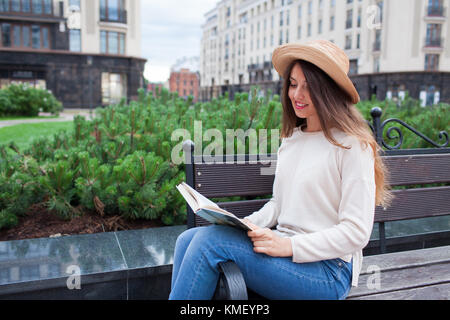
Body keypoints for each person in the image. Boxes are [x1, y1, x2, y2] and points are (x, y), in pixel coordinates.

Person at [169, 39, 392, 300]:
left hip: (329, 270)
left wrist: (289, 245)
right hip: (285, 252)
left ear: (329, 91)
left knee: (209, 244)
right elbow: (279, 203)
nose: (297, 95)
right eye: (293, 84)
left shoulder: (353, 145)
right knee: (187, 239)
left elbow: (356, 233)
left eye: (308, 87)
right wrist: (247, 224)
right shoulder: (292, 139)